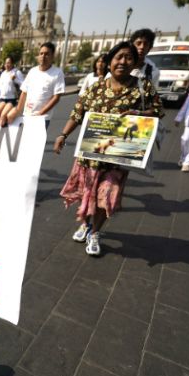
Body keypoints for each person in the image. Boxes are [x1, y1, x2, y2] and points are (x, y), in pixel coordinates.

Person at [52, 41, 162, 256]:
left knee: (106, 195)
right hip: (91, 154)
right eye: (118, 57)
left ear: (135, 62)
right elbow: (78, 112)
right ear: (110, 62)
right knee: (88, 193)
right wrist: (63, 135)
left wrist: (139, 114)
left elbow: (158, 110)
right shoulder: (97, 87)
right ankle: (84, 223)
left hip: (118, 157)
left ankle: (95, 232)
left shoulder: (143, 87)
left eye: (128, 58)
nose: (123, 62)